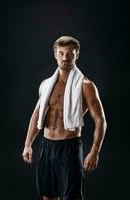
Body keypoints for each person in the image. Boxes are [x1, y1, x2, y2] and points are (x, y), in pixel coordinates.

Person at [22, 36, 107, 200]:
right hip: (47, 146)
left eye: (70, 54)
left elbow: (100, 121)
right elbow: (37, 114)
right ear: (55, 54)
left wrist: (94, 152)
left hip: (70, 147)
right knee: (48, 195)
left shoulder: (86, 85)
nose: (65, 57)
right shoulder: (46, 84)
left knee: (71, 197)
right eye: (61, 53)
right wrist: (27, 144)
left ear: (77, 55)